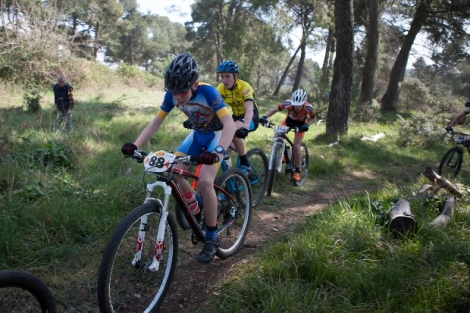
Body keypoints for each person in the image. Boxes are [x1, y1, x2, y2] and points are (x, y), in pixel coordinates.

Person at [121, 52, 236, 264]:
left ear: (194, 84)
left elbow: (229, 125)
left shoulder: (209, 92)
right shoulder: (172, 96)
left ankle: (211, 236)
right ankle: (197, 204)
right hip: (197, 135)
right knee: (173, 171)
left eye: (182, 92)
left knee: (205, 180)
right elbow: (155, 122)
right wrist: (135, 145)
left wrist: (218, 152)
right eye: (173, 92)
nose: (178, 98)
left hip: (218, 136)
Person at [259, 89, 316, 183]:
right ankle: (281, 154)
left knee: (297, 146)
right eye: (295, 104)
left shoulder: (308, 107)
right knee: (277, 135)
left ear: (304, 102)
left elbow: (314, 118)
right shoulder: (288, 103)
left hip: (301, 124)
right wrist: (264, 117)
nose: (297, 107)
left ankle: (297, 172)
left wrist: (307, 125)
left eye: (300, 105)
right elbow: (275, 109)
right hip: (288, 121)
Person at [215, 61, 259, 175]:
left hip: (251, 116)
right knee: (226, 147)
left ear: (235, 76)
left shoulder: (245, 87)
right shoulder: (221, 88)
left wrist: (245, 126)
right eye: (222, 76)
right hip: (236, 116)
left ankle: (245, 163)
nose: (224, 80)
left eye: (228, 76)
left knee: (232, 130)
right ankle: (230, 176)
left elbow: (249, 109)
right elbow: (212, 107)